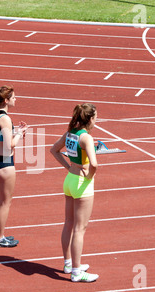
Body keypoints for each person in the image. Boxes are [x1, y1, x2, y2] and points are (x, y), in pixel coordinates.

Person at [50, 103, 99, 282]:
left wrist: (68, 166)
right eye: (96, 117)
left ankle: (68, 263)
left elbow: (53, 150)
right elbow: (94, 164)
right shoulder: (86, 138)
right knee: (80, 229)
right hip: (81, 183)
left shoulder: (70, 133)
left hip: (69, 180)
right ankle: (77, 272)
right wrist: (89, 176)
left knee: (69, 223)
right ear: (90, 119)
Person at [0, 86, 27, 247]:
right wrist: (19, 134)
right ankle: (0, 237)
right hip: (4, 163)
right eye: (14, 97)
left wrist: (15, 132)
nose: (16, 99)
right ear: (6, 100)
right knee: (5, 202)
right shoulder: (5, 118)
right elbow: (10, 145)